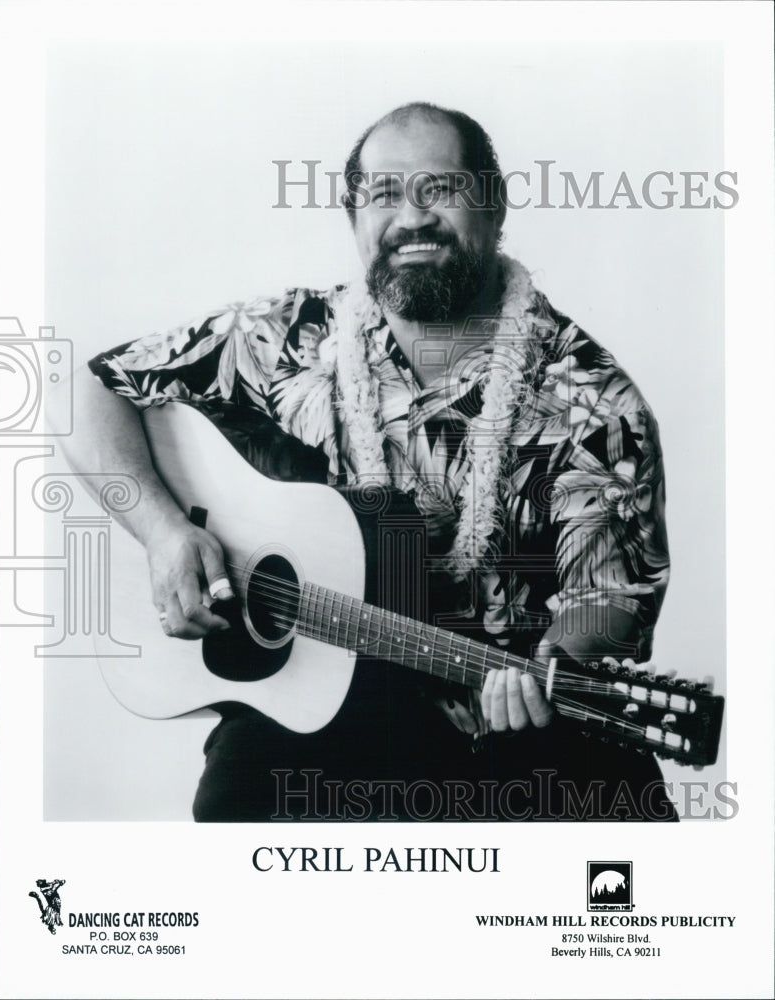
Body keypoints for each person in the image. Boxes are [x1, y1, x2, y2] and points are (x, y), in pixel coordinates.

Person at [65, 102, 675, 821]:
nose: (411, 217)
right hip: (313, 698)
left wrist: (548, 676)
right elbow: (87, 392)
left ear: (496, 204)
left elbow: (608, 600)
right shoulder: (290, 338)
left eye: (440, 189)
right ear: (355, 219)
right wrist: (164, 531)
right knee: (233, 818)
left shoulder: (594, 400)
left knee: (608, 864)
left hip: (500, 726)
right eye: (385, 194)